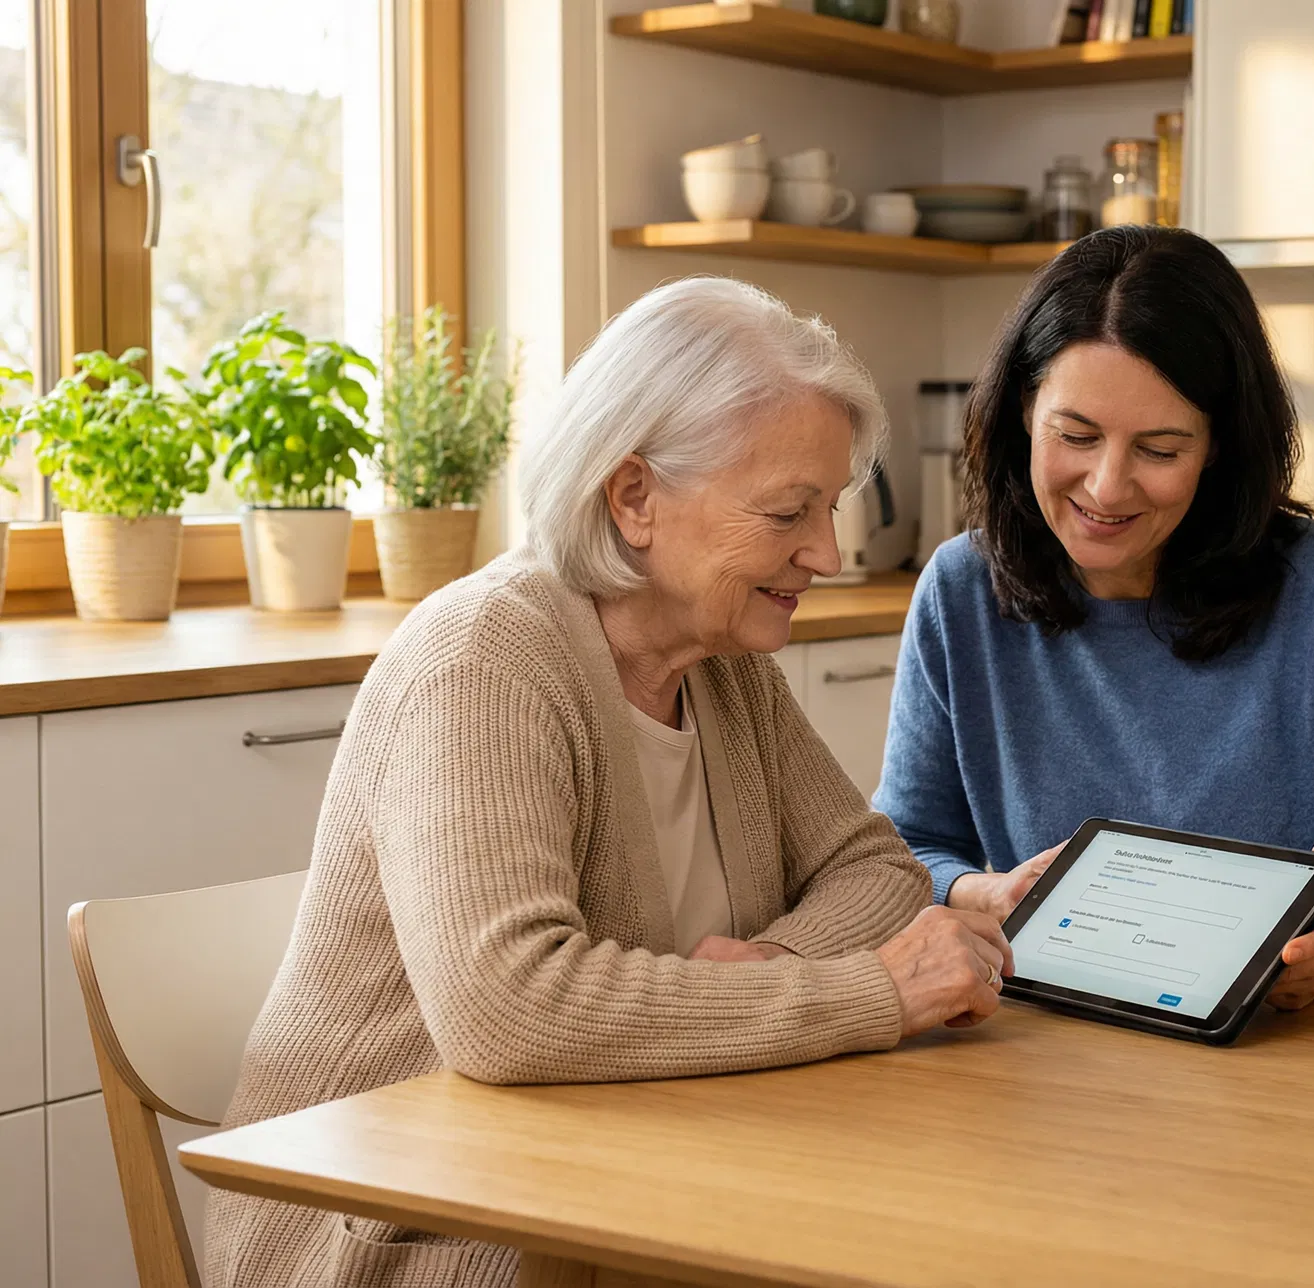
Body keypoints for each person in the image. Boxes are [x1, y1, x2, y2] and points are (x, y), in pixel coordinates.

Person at [205, 278, 1014, 1288]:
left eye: (832, 506)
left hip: (629, 1180)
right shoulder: (483, 662)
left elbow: (876, 872)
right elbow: (508, 1007)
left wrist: (762, 965)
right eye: (788, 512)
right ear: (634, 497)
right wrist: (864, 993)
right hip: (415, 1238)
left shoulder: (721, 658)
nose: (828, 551)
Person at [874, 226, 1314, 1010]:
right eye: (1076, 436)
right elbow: (901, 853)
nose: (1106, 486)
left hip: (1277, 1068)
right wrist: (984, 894)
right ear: (1025, 412)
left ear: (1220, 448)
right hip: (1039, 1055)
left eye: (1159, 450)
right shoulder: (961, 589)